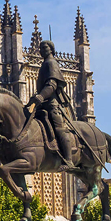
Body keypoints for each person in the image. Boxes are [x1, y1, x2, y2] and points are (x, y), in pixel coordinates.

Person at [27, 40, 77, 169]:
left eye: (45, 47)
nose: (42, 50)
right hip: (43, 104)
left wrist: (41, 96)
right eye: (41, 47)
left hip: (52, 104)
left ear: (51, 49)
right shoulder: (45, 64)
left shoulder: (51, 63)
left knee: (59, 128)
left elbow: (52, 84)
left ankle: (68, 160)